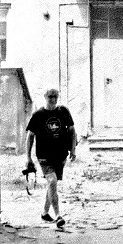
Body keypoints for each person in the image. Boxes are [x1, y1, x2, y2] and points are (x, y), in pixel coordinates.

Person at [25, 88, 77, 229]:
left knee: (52, 184)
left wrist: (73, 149)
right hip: (44, 156)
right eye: (50, 96)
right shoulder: (38, 115)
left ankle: (44, 212)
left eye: (55, 96)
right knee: (52, 181)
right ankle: (58, 215)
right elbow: (30, 136)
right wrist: (28, 157)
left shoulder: (63, 111)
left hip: (60, 155)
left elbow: (72, 131)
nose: (53, 99)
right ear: (45, 97)